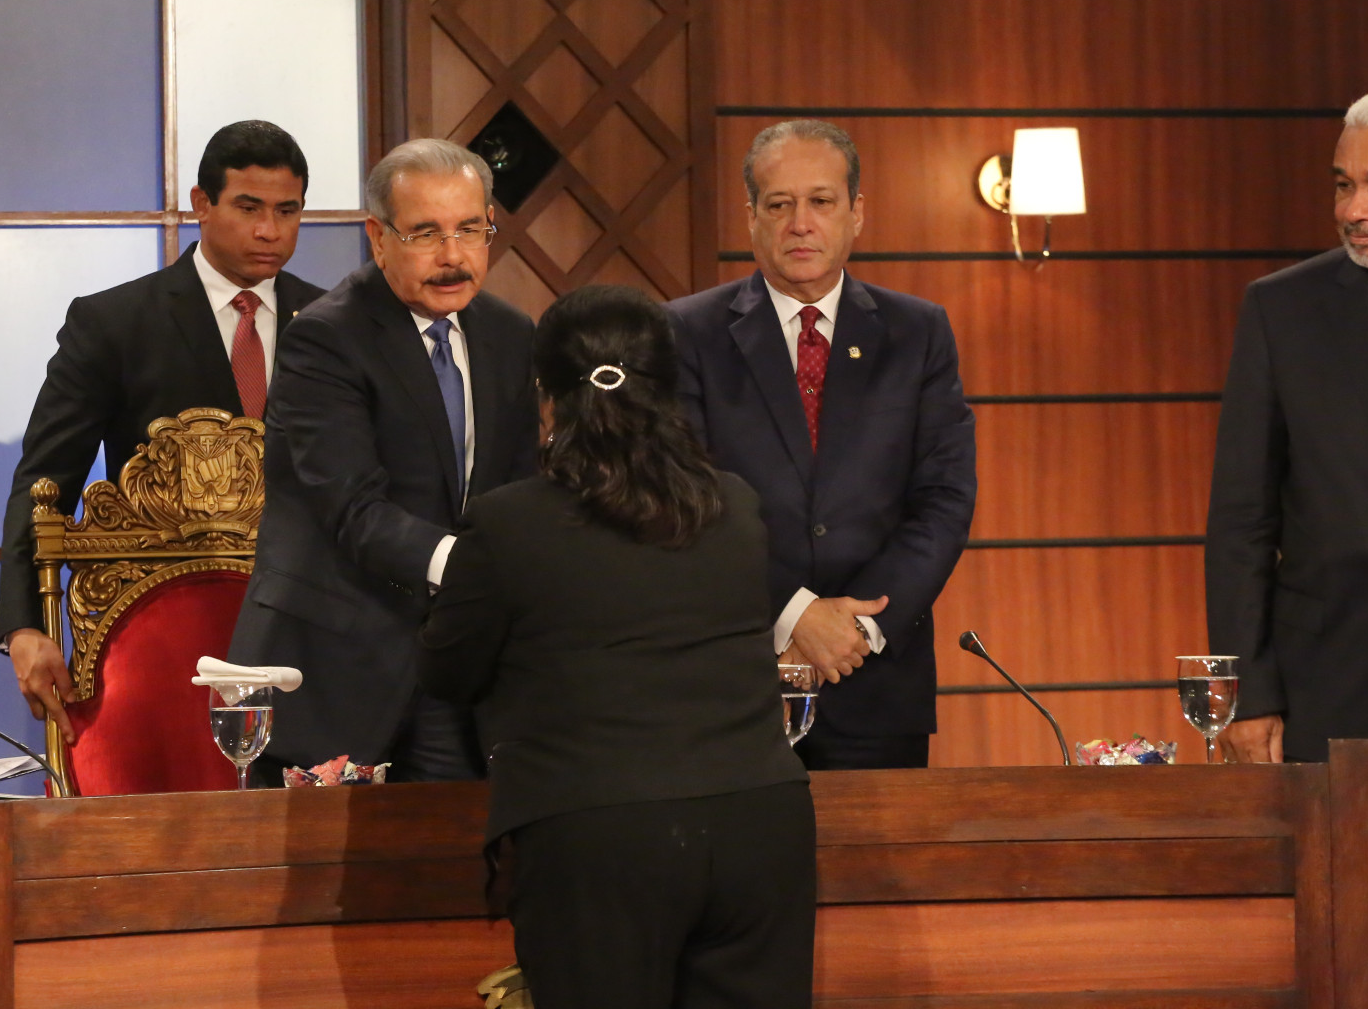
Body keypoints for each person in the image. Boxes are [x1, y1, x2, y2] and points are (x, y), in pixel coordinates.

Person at [420, 285, 814, 1009]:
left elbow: (450, 670)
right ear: (668, 391)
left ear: (546, 400)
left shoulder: (506, 525)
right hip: (761, 823)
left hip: (596, 833)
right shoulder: (735, 506)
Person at [0, 119, 325, 741]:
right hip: (163, 630)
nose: (269, 230)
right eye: (248, 208)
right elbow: (44, 483)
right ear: (202, 203)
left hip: (311, 625)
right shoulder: (114, 323)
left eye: (288, 211)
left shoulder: (334, 322)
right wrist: (24, 624)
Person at [668, 120, 976, 770]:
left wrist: (857, 629)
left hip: (875, 682)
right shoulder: (685, 332)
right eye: (779, 204)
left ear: (856, 212)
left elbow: (944, 499)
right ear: (751, 217)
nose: (800, 224)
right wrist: (794, 613)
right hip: (735, 681)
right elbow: (684, 499)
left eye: (821, 201)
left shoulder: (918, 332)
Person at [228, 137, 538, 782]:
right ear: (378, 238)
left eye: (470, 229)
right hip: (339, 665)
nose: (453, 256)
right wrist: (477, 568)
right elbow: (353, 509)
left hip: (463, 667)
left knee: (460, 844)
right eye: (426, 233)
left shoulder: (509, 335)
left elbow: (518, 490)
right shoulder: (325, 338)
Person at [1207, 85, 1368, 764]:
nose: (1353, 211)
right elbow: (1242, 520)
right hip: (1332, 682)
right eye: (1344, 185)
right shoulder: (1283, 309)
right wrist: (1246, 692)